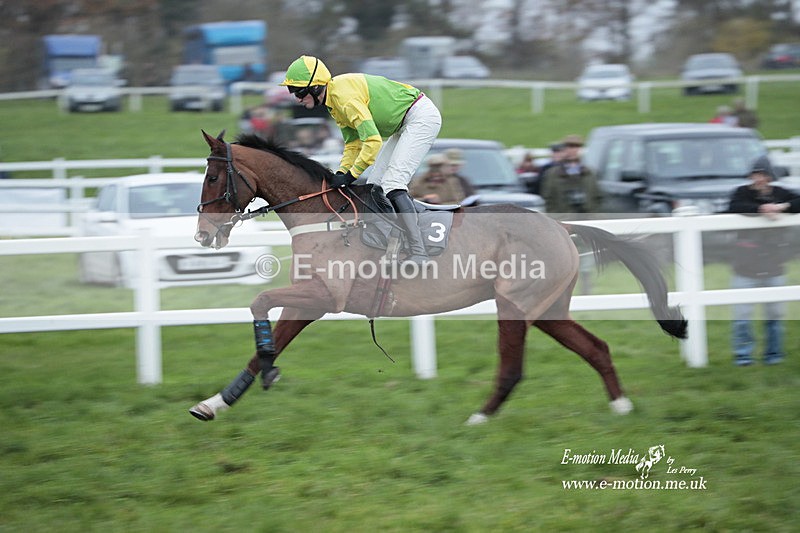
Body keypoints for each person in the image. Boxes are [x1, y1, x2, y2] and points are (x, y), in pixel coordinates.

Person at [281, 55, 442, 267]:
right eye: (293, 92)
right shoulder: (333, 103)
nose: (297, 98)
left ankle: (419, 251)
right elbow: (353, 143)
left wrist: (351, 174)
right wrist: (341, 173)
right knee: (374, 187)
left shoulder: (344, 98)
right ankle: (394, 245)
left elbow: (373, 141)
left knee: (393, 184)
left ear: (317, 86)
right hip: (403, 124)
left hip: (420, 117)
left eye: (299, 91)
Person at [727, 155, 799, 366]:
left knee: (775, 315)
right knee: (742, 316)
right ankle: (743, 356)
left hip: (774, 264)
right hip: (745, 265)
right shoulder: (741, 193)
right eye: (755, 175)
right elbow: (734, 206)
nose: (759, 179)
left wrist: (781, 207)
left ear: (770, 177)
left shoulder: (781, 194)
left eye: (763, 175)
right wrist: (761, 210)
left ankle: (774, 355)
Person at [539, 134, 603, 294]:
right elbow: (548, 199)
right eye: (569, 147)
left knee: (586, 260)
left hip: (584, 221)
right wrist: (557, 220)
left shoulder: (589, 173)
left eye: (575, 147)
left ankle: (586, 292)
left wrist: (592, 217)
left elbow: (597, 197)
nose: (572, 151)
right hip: (563, 223)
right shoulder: (553, 174)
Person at [410, 152, 475, 205]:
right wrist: (425, 199)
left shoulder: (451, 182)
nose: (436, 171)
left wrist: (440, 203)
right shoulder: (419, 181)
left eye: (439, 167)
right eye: (434, 167)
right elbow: (408, 201)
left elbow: (459, 202)